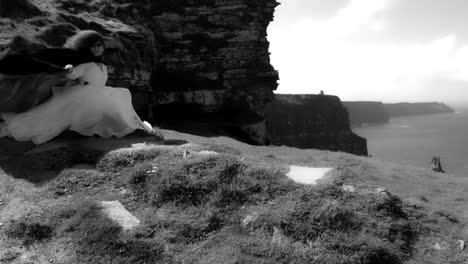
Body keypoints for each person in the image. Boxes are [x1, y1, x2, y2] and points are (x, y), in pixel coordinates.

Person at [0, 30, 158, 145]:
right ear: (86, 47)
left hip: (97, 93)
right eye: (94, 45)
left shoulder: (101, 65)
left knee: (122, 95)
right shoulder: (86, 63)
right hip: (84, 93)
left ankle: (132, 127)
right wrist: (67, 69)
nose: (98, 48)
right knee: (57, 118)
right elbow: (72, 75)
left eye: (100, 45)